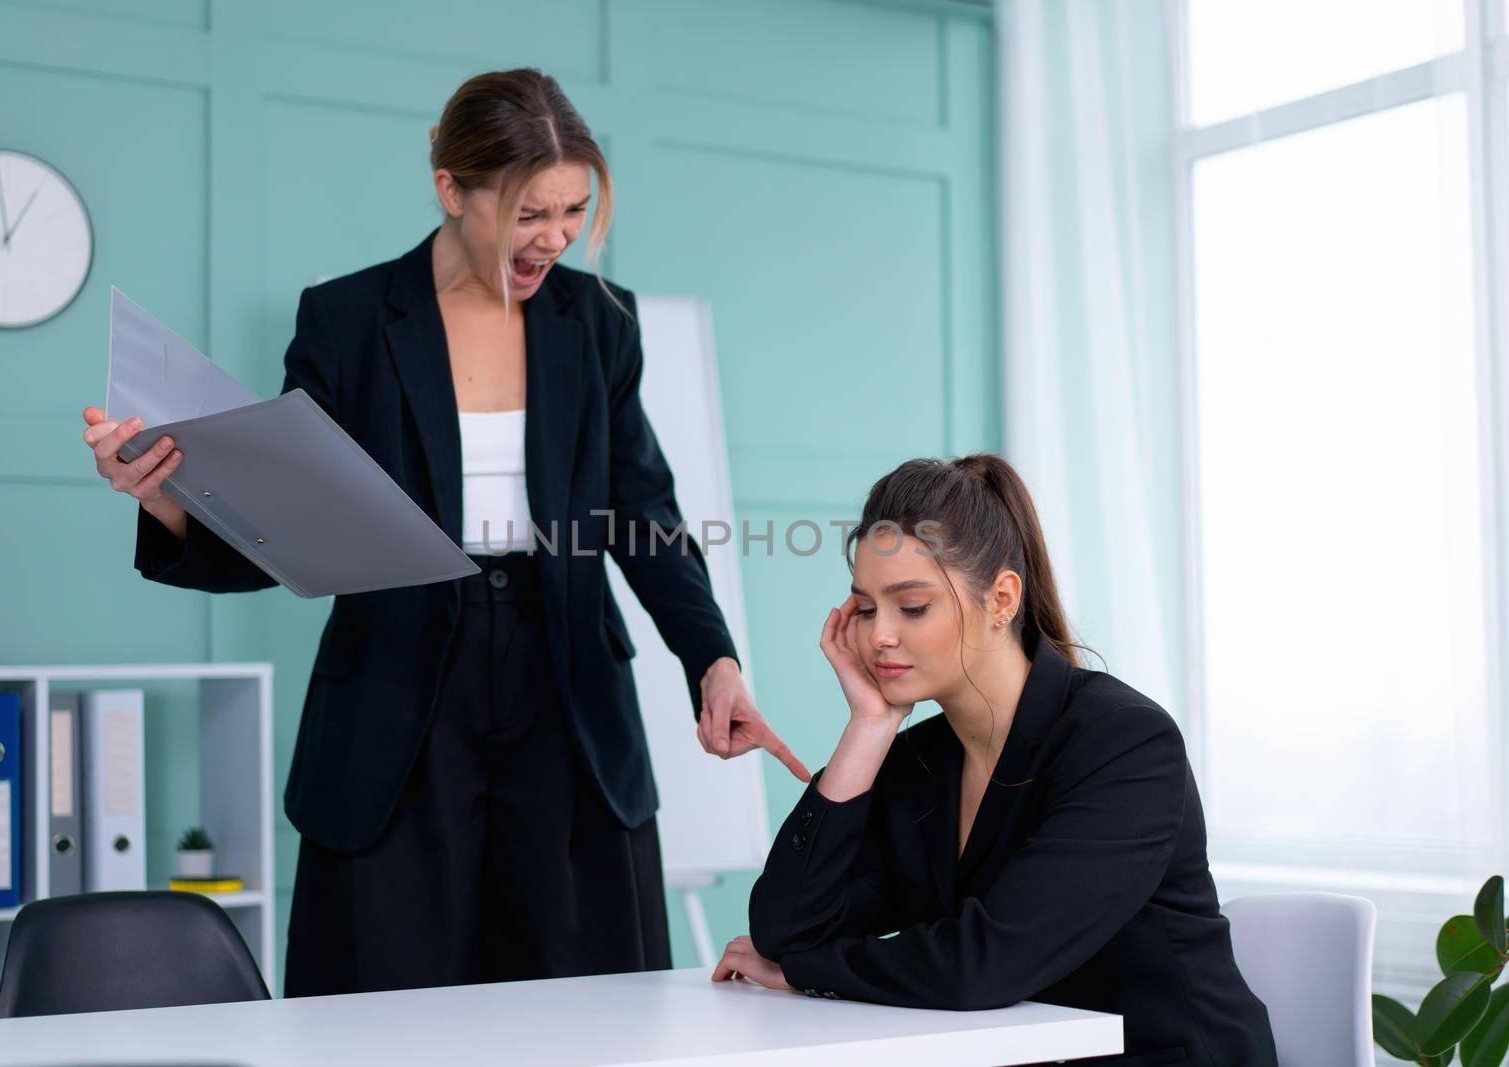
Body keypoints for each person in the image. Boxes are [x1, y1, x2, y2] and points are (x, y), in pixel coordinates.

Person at [80, 67, 808, 997]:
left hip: (568, 694)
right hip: (396, 688)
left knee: (583, 1006)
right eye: (527, 212)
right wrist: (169, 498)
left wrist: (712, 658)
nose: (552, 238)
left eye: (572, 210)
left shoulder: (599, 323)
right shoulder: (346, 320)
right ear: (452, 188)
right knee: (382, 999)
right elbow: (291, 525)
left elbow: (644, 514)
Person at [713, 454, 1276, 1065]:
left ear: (1002, 597)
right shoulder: (921, 761)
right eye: (867, 609)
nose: (878, 636)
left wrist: (806, 973)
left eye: (913, 606)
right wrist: (868, 727)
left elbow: (982, 966)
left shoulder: (1125, 745)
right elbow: (786, 929)